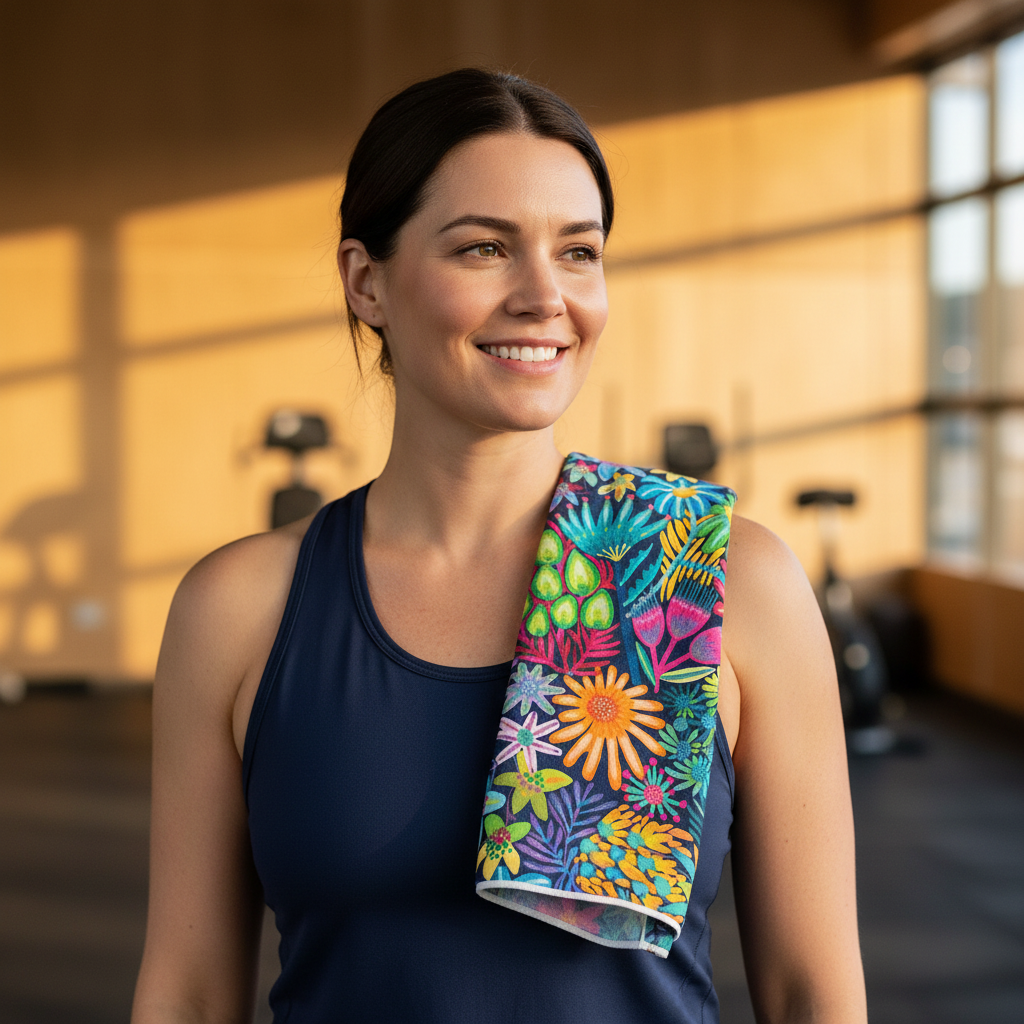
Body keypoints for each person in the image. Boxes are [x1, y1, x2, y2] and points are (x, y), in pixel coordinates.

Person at [131, 68, 867, 1023]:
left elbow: (814, 994)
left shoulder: (715, 578)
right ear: (366, 281)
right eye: (484, 248)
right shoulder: (238, 610)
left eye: (578, 252)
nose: (544, 295)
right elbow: (189, 993)